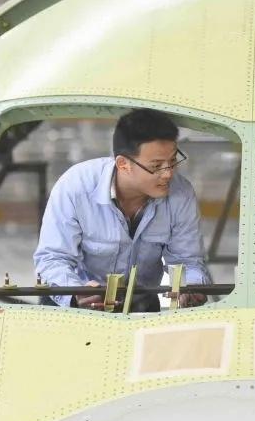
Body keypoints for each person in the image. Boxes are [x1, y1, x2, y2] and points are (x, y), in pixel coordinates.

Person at [34, 108, 209, 311]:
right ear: (123, 164)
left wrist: (191, 287)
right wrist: (75, 291)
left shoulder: (181, 194)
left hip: (139, 300)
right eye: (156, 166)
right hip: (75, 302)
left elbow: (187, 261)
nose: (168, 174)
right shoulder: (75, 187)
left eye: (172, 161)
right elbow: (52, 258)